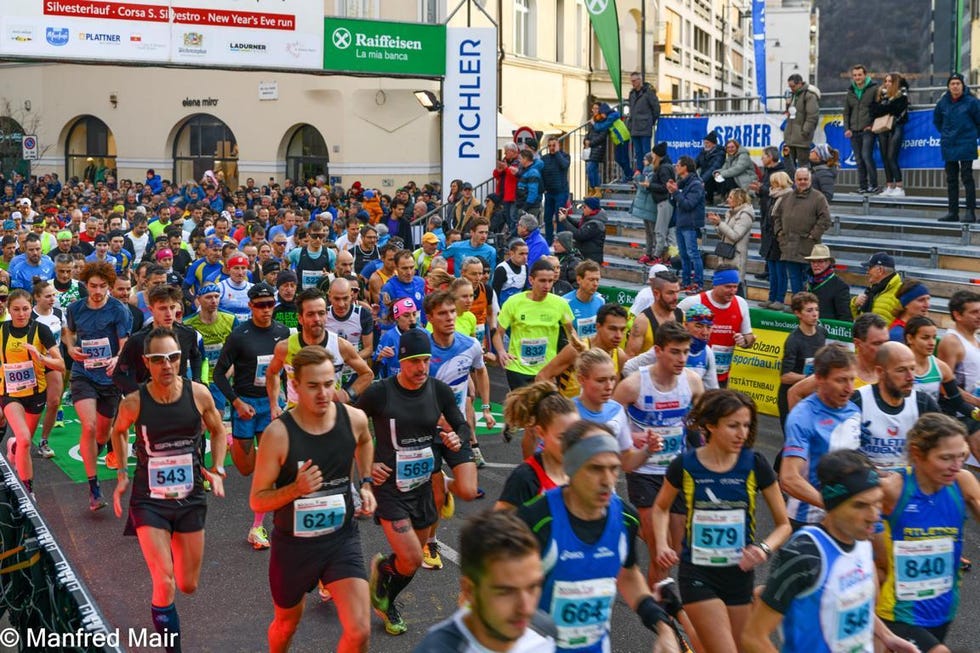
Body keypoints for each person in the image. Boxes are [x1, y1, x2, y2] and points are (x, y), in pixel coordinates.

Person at [249, 348, 376, 653]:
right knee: (286, 626)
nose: (324, 393)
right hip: (294, 547)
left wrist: (367, 483)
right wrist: (295, 489)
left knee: (359, 631)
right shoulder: (278, 434)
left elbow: (365, 440)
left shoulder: (354, 418)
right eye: (313, 386)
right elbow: (257, 501)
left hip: (340, 540)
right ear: (295, 384)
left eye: (329, 384)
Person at [514, 420, 679, 653]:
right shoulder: (536, 520)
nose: (607, 481)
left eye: (613, 468)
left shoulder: (625, 518)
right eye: (595, 468)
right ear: (570, 467)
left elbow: (629, 575)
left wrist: (663, 627)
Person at [110, 327, 227, 653]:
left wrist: (217, 469)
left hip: (190, 498)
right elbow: (118, 433)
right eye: (159, 359)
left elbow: (218, 431)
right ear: (147, 362)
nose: (167, 365)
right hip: (149, 500)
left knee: (187, 584)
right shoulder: (134, 402)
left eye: (173, 357)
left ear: (181, 358)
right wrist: (122, 474)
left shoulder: (199, 394)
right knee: (164, 581)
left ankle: (172, 558)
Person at [741, 449, 919, 653]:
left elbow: (851, 604)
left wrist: (887, 636)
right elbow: (753, 637)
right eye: (860, 506)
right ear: (833, 505)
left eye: (877, 501)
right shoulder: (804, 554)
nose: (874, 516)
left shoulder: (860, 540)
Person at [653, 390, 790, 653]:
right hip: (698, 572)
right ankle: (678, 607)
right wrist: (661, 545)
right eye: (733, 426)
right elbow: (660, 507)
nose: (742, 433)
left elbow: (784, 524)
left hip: (738, 575)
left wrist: (763, 549)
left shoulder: (754, 464)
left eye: (746, 425)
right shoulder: (685, 464)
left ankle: (676, 610)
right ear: (711, 425)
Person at [361, 330, 477, 636]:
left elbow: (463, 425)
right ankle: (385, 584)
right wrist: (369, 463)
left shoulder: (438, 390)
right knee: (412, 557)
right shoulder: (380, 392)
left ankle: (386, 590)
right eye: (414, 361)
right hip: (390, 489)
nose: (421, 368)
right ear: (401, 361)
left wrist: (456, 436)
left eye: (426, 360)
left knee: (408, 562)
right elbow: (351, 428)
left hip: (423, 485)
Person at [875, 413, 980, 653]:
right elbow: (846, 528)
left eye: (961, 456)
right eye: (945, 458)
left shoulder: (962, 482)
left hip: (944, 607)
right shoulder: (893, 489)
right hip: (899, 611)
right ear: (918, 453)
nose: (956, 466)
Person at [613, 322, 705, 585]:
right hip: (644, 472)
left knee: (674, 550)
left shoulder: (693, 382)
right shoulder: (632, 385)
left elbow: (699, 426)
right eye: (675, 352)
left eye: (686, 352)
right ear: (658, 350)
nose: (682, 358)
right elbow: (610, 426)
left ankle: (629, 525)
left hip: (676, 473)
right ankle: (660, 614)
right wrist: (635, 438)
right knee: (659, 553)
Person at [212, 282, 292, 550]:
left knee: (269, 466)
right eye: (260, 305)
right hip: (245, 404)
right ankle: (234, 442)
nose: (266, 310)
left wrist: (279, 401)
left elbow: (284, 370)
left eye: (270, 304)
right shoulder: (240, 335)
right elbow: (218, 374)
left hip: (271, 404)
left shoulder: (282, 333)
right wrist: (234, 403)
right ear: (250, 307)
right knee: (246, 469)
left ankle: (258, 527)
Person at [414, 510, 558, 652]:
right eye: (506, 592)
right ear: (469, 590)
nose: (526, 608)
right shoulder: (435, 649)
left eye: (533, 587)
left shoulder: (544, 632)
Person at [63, 261, 132, 511]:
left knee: (103, 434)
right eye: (93, 286)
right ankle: (94, 488)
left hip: (110, 378)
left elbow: (125, 342)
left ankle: (93, 453)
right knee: (89, 426)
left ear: (109, 286)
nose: (98, 291)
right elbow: (68, 332)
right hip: (84, 374)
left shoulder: (118, 309)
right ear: (85, 285)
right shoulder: (75, 308)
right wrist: (71, 348)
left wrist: (116, 358)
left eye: (103, 286)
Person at [493, 259, 580, 453]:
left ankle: (514, 417)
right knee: (532, 425)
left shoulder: (559, 304)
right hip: (518, 369)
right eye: (542, 281)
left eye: (550, 281)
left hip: (547, 371)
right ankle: (529, 468)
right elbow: (498, 333)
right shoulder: (514, 302)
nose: (547, 286)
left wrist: (578, 350)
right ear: (531, 280)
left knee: (545, 418)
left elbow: (571, 333)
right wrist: (501, 352)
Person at [780, 343, 862, 528]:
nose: (849, 388)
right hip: (808, 519)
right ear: (819, 379)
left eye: (852, 379)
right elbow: (789, 479)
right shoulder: (803, 416)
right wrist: (831, 505)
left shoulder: (853, 409)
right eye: (841, 380)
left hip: (845, 517)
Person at [1, 289, 63, 498]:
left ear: (31, 308)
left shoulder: (41, 330)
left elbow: (61, 365)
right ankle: (28, 491)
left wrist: (41, 358)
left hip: (36, 393)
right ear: (9, 310)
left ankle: (14, 446)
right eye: (16, 309)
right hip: (10, 394)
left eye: (25, 309)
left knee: (22, 440)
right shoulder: (1, 331)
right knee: (26, 439)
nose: (21, 314)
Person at [852, 341, 941, 473]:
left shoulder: (923, 403)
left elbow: (950, 444)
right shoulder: (858, 400)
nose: (911, 377)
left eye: (912, 369)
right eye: (901, 370)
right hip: (868, 482)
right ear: (880, 372)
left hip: (908, 483)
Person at [496, 382, 576, 510]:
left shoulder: (583, 469)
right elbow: (496, 524)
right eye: (561, 437)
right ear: (541, 433)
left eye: (575, 434)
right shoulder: (525, 478)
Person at [678, 266, 755, 387]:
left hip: (722, 376)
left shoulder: (741, 303)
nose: (732, 291)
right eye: (728, 287)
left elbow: (749, 337)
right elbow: (670, 330)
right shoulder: (694, 302)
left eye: (735, 286)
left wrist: (745, 341)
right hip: (691, 374)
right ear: (715, 284)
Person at [537, 303, 628, 400]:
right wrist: (557, 406)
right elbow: (543, 376)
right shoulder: (576, 349)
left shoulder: (620, 356)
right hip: (570, 411)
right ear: (598, 326)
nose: (618, 335)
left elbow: (611, 396)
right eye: (612, 329)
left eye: (622, 330)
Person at [773, 167, 831, 294]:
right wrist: (779, 233)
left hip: (808, 247)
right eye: (800, 179)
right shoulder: (787, 197)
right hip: (789, 246)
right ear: (795, 180)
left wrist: (813, 235)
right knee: (794, 279)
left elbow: (825, 219)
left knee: (808, 280)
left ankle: (807, 306)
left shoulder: (818, 197)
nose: (803, 182)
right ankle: (797, 304)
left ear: (810, 180)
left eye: (805, 179)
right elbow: (776, 216)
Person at [934, 72, 980, 223]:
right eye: (952, 83)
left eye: (958, 83)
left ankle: (970, 212)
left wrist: (972, 135)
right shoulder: (943, 102)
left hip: (966, 143)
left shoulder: (972, 102)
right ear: (948, 86)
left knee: (967, 177)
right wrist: (946, 134)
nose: (955, 86)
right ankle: (952, 212)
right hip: (949, 145)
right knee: (951, 179)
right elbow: (937, 121)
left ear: (963, 85)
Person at [778, 292, 827, 431]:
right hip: (792, 395)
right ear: (798, 313)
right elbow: (785, 377)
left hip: (812, 395)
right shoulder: (793, 340)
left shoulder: (821, 333)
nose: (815, 314)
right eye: (809, 310)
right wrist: (810, 378)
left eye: (816, 310)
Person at [667, 156, 706, 292]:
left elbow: (688, 204)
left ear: (685, 167)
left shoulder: (696, 184)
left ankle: (698, 283)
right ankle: (686, 281)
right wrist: (672, 192)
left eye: (678, 165)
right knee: (683, 255)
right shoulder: (683, 183)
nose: (676, 167)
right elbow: (675, 202)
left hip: (691, 223)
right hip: (681, 222)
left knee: (693, 254)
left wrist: (676, 192)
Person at [871, 72, 910, 197]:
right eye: (886, 81)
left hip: (896, 127)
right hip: (883, 128)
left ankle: (899, 186)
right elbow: (874, 111)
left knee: (891, 156)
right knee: (884, 157)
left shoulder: (902, 95)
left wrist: (884, 108)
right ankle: (889, 185)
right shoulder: (881, 95)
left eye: (890, 81)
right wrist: (885, 107)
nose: (887, 84)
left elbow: (896, 109)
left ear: (896, 83)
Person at [757, 170, 793, 310]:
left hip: (780, 240)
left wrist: (780, 233)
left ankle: (779, 299)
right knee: (772, 272)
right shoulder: (772, 196)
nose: (772, 185)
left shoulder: (788, 196)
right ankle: (771, 297)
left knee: (780, 272)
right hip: (769, 239)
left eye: (774, 183)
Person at [627, 268, 682, 357]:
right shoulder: (642, 321)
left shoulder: (681, 315)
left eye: (677, 292)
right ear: (656, 294)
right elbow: (629, 358)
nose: (676, 297)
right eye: (670, 293)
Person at [844, 64, 880, 194]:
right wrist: (847, 128)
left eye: (859, 75)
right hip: (854, 130)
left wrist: (871, 125)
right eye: (855, 75)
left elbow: (877, 108)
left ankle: (874, 185)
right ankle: (863, 186)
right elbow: (846, 112)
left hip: (868, 130)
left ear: (865, 75)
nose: (857, 77)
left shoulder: (874, 89)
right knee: (858, 159)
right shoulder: (850, 92)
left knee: (866, 156)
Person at [638, 143, 675, 266]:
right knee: (670, 233)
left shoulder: (663, 168)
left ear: (657, 155)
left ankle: (658, 256)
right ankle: (671, 257)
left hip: (664, 202)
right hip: (664, 202)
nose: (652, 156)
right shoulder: (665, 166)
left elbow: (666, 187)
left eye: (653, 153)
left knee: (660, 231)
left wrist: (650, 185)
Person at [707, 188, 753, 282]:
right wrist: (716, 224)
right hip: (725, 255)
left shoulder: (745, 215)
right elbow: (724, 235)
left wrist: (720, 223)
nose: (727, 200)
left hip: (736, 256)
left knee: (735, 287)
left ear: (739, 199)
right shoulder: (730, 212)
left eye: (731, 197)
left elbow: (735, 236)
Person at [803, 244, 851, 321]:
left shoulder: (840, 286)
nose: (816, 265)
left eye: (820, 261)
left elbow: (845, 317)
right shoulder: (807, 283)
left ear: (829, 262)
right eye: (813, 261)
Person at [783, 72, 821, 168]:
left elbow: (812, 116)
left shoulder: (809, 96)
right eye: (790, 86)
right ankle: (791, 183)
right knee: (789, 166)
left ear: (800, 83)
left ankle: (804, 182)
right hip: (791, 137)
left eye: (793, 86)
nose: (791, 88)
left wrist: (805, 132)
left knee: (803, 166)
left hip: (801, 138)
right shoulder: (792, 95)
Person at [851, 251, 902, 322]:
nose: (867, 272)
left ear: (880, 270)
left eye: (870, 268)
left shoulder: (900, 292)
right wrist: (854, 304)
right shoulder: (873, 290)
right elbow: (859, 323)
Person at [557, 197, 607, 266]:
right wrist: (567, 217)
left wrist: (564, 221)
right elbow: (579, 225)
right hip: (584, 256)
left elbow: (579, 235)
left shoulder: (595, 224)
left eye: (585, 207)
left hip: (591, 260)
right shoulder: (591, 217)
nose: (582, 208)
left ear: (591, 208)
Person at [627, 72, 661, 171]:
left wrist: (651, 121)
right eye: (631, 81)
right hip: (634, 127)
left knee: (646, 152)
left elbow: (656, 108)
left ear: (639, 80)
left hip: (645, 127)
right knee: (637, 152)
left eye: (634, 81)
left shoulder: (648, 92)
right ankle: (640, 172)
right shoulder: (632, 93)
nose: (632, 83)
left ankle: (647, 172)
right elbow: (631, 110)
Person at [562, 260, 604, 339]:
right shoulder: (565, 302)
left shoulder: (601, 300)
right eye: (591, 280)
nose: (595, 284)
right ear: (579, 280)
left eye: (597, 280)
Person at [541, 138, 570, 244]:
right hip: (549, 193)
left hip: (561, 192)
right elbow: (542, 174)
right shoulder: (544, 158)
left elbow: (564, 165)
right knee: (547, 218)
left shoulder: (565, 156)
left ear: (558, 145)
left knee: (560, 219)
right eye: (549, 146)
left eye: (554, 145)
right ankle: (548, 240)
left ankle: (559, 241)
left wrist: (557, 152)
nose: (551, 148)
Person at [492, 238, 529, 309]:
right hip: (504, 308)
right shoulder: (502, 269)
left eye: (526, 254)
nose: (525, 257)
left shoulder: (526, 267)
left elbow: (525, 289)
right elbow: (495, 293)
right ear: (512, 253)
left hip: (518, 308)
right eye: (521, 254)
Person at [695, 132, 725, 204]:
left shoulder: (720, 153)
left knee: (712, 175)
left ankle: (711, 198)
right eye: (704, 143)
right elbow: (695, 164)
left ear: (714, 144)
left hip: (717, 177)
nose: (705, 145)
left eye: (707, 143)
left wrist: (702, 180)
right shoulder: (703, 152)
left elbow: (714, 168)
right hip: (705, 175)